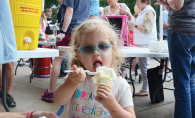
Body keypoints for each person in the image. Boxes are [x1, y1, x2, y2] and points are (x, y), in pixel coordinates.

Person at [54, 19, 136, 118]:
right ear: (79, 55)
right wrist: (71, 82)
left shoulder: (121, 86)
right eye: (88, 48)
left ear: (113, 52)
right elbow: (59, 100)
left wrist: (112, 106)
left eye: (102, 46)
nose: (96, 52)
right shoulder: (76, 78)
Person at [41, 0, 91, 102]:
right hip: (82, 32)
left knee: (58, 60)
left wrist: (63, 31)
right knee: (81, 61)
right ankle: (79, 93)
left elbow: (70, 11)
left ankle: (50, 92)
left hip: (69, 31)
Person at [155, 0, 195, 118]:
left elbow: (178, 4)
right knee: (190, 80)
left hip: (181, 30)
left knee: (182, 83)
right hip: (192, 30)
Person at [128, 0, 157, 96]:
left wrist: (135, 25)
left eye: (138, 1)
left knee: (144, 66)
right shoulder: (142, 11)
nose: (136, 2)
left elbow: (147, 30)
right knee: (142, 66)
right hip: (142, 43)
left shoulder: (149, 11)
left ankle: (146, 89)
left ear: (144, 1)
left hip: (146, 43)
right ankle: (145, 88)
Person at [159, 6, 172, 82]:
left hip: (168, 36)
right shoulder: (164, 13)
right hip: (165, 36)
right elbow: (163, 25)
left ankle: (165, 72)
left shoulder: (168, 12)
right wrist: (174, 23)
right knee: (164, 57)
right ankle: (163, 73)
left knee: (167, 57)